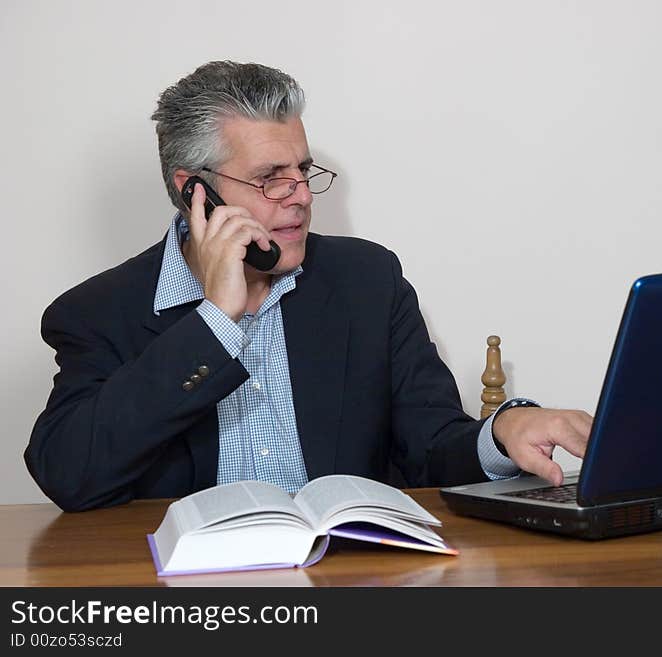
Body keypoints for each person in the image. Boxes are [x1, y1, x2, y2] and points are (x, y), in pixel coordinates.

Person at [25, 61, 592, 512]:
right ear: (194, 191)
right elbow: (71, 476)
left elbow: (430, 448)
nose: (299, 195)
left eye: (302, 170)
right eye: (271, 180)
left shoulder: (367, 282)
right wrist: (214, 323)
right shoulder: (99, 312)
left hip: (347, 578)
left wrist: (503, 431)